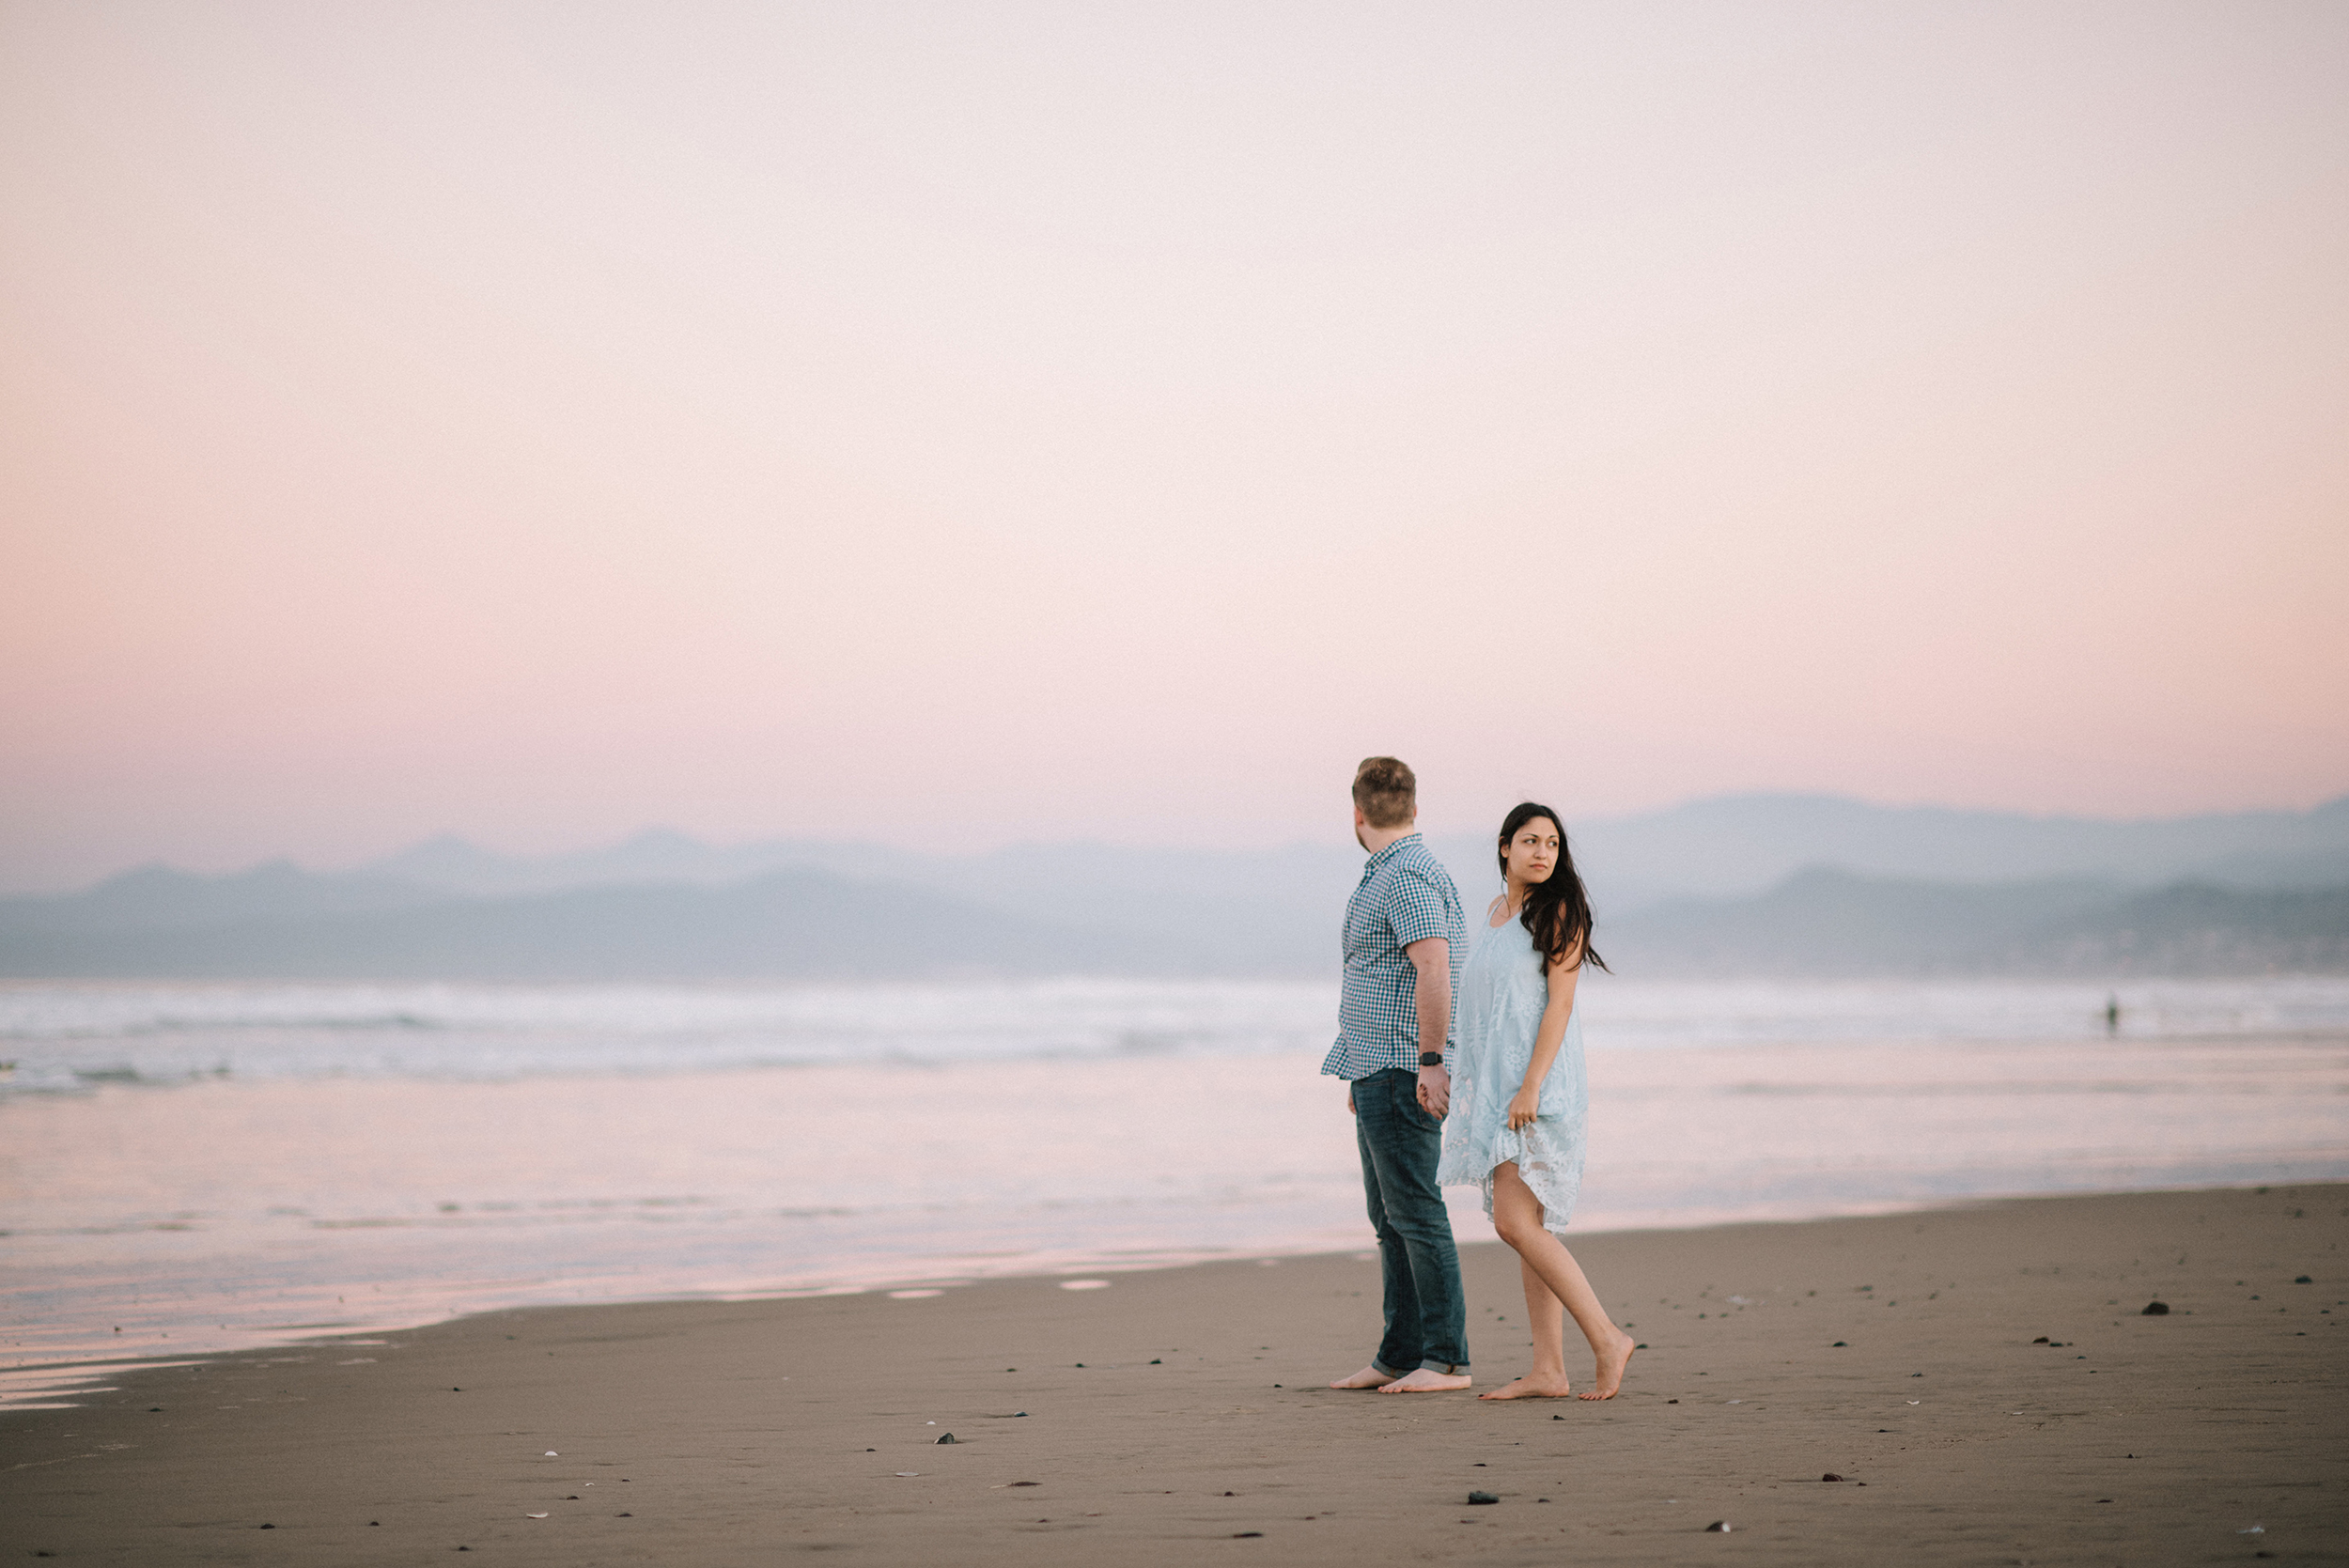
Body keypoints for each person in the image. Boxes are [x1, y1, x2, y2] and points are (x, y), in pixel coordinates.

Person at [1438, 801, 1635, 1401]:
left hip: (1538, 1090)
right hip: (1500, 1088)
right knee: (1529, 1225)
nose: (1543, 852)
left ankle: (1606, 1338)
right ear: (1505, 848)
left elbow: (1560, 1005)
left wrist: (1531, 1086)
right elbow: (1484, 1011)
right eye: (1530, 841)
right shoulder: (1496, 914)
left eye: (1552, 843)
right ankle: (1549, 1369)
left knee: (1515, 1223)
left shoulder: (1560, 913)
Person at [1324, 756, 1471, 1394]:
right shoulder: (1388, 872)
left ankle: (1445, 1358)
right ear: (1413, 807)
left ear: (1357, 813)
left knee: (1416, 1212)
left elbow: (1433, 970)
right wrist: (1358, 1064)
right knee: (1390, 1216)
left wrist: (1430, 1062)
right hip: (1376, 1067)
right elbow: (1378, 977)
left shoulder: (1407, 875)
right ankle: (1398, 1352)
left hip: (1404, 1068)